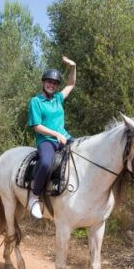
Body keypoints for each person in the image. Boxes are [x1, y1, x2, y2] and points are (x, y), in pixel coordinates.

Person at [26, 56, 76, 219]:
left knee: (83, 156)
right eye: (49, 82)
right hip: (46, 140)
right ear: (43, 82)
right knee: (46, 162)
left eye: (54, 83)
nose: (52, 85)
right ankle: (34, 197)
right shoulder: (36, 101)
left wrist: (73, 67)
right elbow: (36, 126)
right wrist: (56, 134)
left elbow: (71, 84)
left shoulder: (58, 98)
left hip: (65, 138)